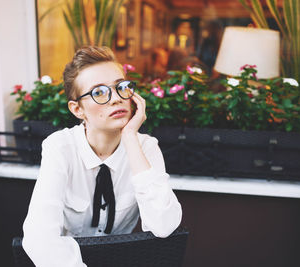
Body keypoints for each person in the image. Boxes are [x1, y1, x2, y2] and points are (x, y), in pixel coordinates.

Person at [22, 46, 182, 267]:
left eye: (121, 87)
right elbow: (39, 236)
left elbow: (164, 225)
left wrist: (130, 138)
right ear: (78, 109)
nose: (116, 99)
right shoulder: (60, 148)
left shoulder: (145, 147)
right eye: (99, 92)